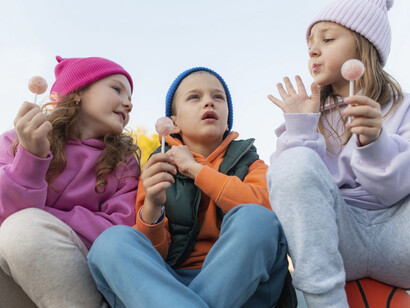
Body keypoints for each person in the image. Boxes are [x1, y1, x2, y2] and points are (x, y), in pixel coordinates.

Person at [88, 67, 294, 307]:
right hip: (168, 286)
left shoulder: (253, 164)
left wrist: (195, 170)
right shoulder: (158, 169)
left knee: (256, 216)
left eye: (218, 97)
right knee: (110, 242)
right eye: (194, 97)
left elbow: (265, 217)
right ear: (173, 123)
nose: (208, 102)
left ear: (227, 117)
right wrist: (153, 206)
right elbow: (155, 255)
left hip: (246, 285)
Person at [266, 0, 410, 307]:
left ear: (363, 46)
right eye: (310, 44)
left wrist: (374, 143)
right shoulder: (309, 113)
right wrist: (301, 129)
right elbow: (291, 191)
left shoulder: (404, 107)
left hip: (401, 237)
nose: (313, 50)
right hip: (337, 240)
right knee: (292, 161)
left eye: (327, 39)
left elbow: (391, 191)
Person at [0, 55, 140, 307]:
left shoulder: (124, 163)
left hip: (82, 278)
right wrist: (30, 157)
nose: (128, 104)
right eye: (117, 89)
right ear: (77, 93)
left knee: (23, 229)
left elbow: (119, 233)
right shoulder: (14, 141)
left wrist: (42, 218)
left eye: (130, 98)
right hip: (12, 277)